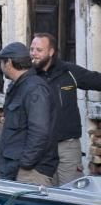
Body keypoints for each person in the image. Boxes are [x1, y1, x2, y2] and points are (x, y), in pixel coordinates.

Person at [30, 32, 101, 184]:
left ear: (51, 52)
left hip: (67, 147)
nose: (33, 53)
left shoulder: (69, 71)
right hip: (39, 149)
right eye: (32, 49)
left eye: (39, 50)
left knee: (73, 193)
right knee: (43, 196)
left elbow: (97, 80)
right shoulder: (28, 77)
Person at [0, 42, 57, 185]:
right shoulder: (18, 86)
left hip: (29, 171)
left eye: (1, 63)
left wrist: (25, 164)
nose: (0, 67)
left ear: (9, 62)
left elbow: (40, 131)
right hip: (13, 168)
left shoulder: (35, 88)